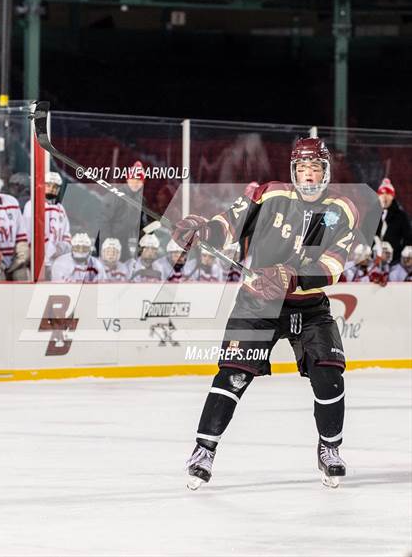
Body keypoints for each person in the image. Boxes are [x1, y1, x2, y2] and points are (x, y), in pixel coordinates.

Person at [173, 138, 362, 489]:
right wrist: (204, 230)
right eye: (303, 169)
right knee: (233, 375)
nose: (309, 176)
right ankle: (204, 450)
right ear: (293, 171)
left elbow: (333, 266)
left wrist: (291, 278)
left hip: (309, 306)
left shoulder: (341, 209)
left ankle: (330, 448)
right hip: (257, 303)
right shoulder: (269, 194)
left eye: (315, 169)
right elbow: (230, 222)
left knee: (329, 375)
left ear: (326, 172)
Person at [99, 160, 151, 261]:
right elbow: (104, 220)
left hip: (128, 241)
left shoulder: (141, 200)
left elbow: (142, 224)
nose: (136, 183)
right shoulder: (115, 195)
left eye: (139, 180)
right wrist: (108, 241)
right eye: (133, 179)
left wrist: (147, 232)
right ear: (128, 179)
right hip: (112, 239)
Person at [23, 171, 71, 279]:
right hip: (39, 262)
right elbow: (27, 234)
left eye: (55, 187)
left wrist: (61, 248)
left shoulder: (60, 209)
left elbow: (66, 235)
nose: (52, 189)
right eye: (48, 185)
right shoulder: (31, 205)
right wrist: (31, 257)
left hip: (57, 262)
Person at [0, 170, 29, 280]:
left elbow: (21, 237)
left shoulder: (11, 202)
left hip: (12, 259)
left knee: (22, 276)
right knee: (0, 280)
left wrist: (21, 258)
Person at [375, 178, 411, 263]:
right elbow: (364, 237)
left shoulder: (401, 216)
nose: (385, 198)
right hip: (373, 261)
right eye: (382, 195)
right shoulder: (371, 214)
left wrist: (399, 255)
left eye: (388, 195)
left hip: (395, 261)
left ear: (392, 197)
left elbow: (408, 239)